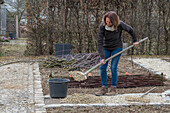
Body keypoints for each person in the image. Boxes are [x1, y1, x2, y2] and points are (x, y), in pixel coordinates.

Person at [95, 11, 139, 96]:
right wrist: (102, 57)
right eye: (106, 21)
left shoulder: (120, 24)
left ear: (114, 21)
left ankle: (113, 89)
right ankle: (104, 87)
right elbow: (99, 42)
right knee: (102, 67)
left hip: (117, 47)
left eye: (110, 22)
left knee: (113, 67)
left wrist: (135, 40)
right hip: (105, 47)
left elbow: (131, 30)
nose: (108, 23)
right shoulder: (102, 26)